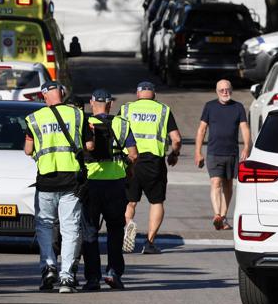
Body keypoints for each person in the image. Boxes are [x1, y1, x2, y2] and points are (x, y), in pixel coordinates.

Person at [25, 81, 94, 293]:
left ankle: (48, 267)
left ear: (44, 96)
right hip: (71, 181)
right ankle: (66, 277)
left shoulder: (34, 119)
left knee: (45, 225)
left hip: (46, 180)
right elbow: (90, 146)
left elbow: (28, 150)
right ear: (62, 94)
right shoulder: (77, 115)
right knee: (70, 228)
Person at [81, 89, 138, 291]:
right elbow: (133, 154)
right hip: (115, 184)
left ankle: (92, 278)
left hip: (91, 183)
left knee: (89, 232)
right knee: (115, 231)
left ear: (91, 102)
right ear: (111, 104)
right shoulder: (122, 124)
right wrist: (128, 170)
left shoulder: (86, 123)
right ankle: (113, 273)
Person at [119, 81, 181, 254]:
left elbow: (115, 131)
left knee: (130, 201)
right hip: (154, 162)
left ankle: (128, 225)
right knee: (156, 201)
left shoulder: (126, 109)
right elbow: (176, 139)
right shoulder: (163, 110)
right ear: (154, 94)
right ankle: (149, 242)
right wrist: (174, 154)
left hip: (130, 160)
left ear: (137, 94)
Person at [194, 79, 250, 230]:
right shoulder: (210, 107)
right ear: (216, 91)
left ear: (231, 90)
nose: (225, 92)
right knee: (216, 182)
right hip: (214, 152)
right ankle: (217, 214)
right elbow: (201, 130)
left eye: (227, 89)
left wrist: (246, 147)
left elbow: (244, 128)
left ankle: (223, 217)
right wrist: (198, 152)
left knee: (228, 184)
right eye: (221, 90)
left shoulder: (238, 107)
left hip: (231, 153)